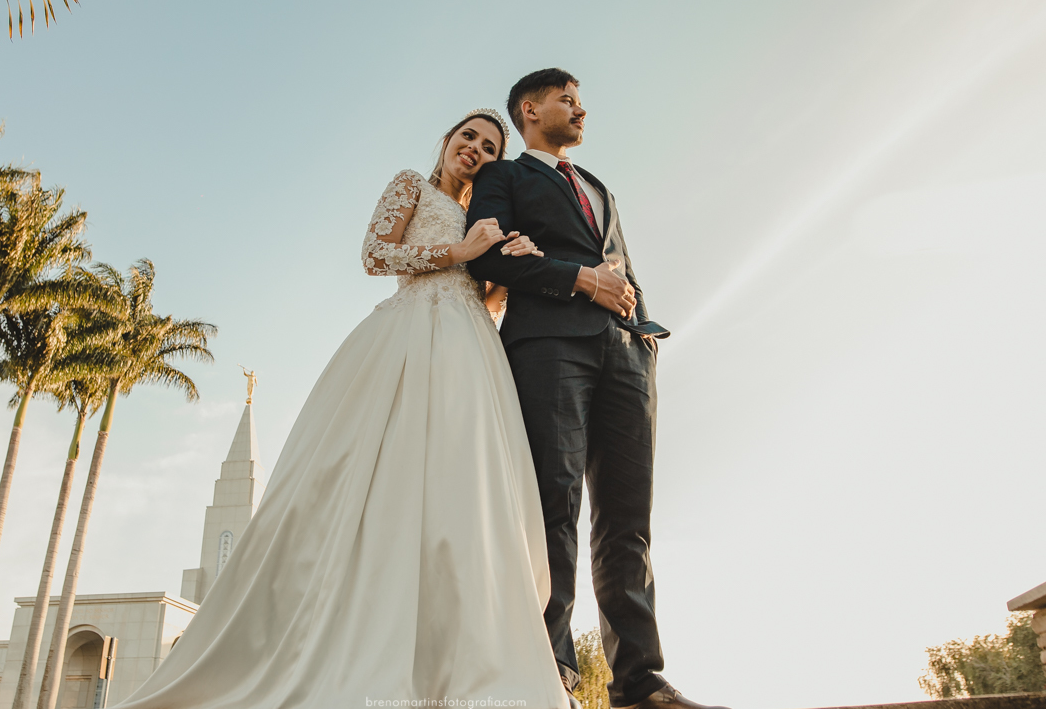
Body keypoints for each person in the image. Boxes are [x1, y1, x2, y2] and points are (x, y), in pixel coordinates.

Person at [114, 109, 570, 709]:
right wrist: (461, 248)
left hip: (469, 351)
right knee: (375, 476)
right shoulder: (412, 185)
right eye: (469, 137)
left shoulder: (487, 216)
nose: (476, 151)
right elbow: (375, 254)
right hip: (407, 335)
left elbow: (484, 300)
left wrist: (506, 270)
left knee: (462, 485)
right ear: (447, 139)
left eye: (489, 148)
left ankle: (453, 661)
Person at [466, 69, 728, 709]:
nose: (580, 110)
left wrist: (644, 337)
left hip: (628, 355)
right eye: (568, 100)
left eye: (580, 100)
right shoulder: (504, 177)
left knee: (628, 520)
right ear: (531, 109)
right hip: (549, 345)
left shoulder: (599, 187)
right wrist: (580, 280)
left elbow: (623, 266)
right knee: (553, 505)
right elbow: (486, 258)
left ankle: (639, 682)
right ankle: (550, 672)